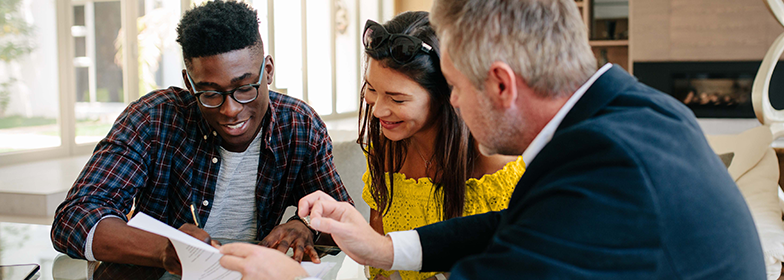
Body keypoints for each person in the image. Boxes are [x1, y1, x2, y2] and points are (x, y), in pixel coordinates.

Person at [218, 0, 766, 279]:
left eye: (454, 86)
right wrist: (385, 248)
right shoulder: (632, 113)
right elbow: (511, 224)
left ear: (501, 84)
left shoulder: (604, 178)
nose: (453, 103)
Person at [50, 0, 351, 276]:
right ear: (189, 83)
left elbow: (343, 218)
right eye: (209, 93)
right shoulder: (154, 118)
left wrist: (304, 225)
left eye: (245, 87)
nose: (231, 110)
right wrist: (165, 248)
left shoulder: (298, 125)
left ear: (268, 71)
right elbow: (74, 217)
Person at [357, 12, 524, 280]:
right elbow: (381, 264)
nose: (377, 111)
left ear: (447, 96)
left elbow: (513, 264)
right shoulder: (388, 151)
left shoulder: (495, 162)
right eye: (372, 88)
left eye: (397, 99)